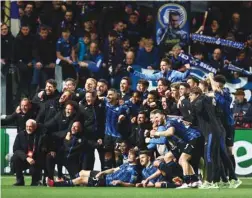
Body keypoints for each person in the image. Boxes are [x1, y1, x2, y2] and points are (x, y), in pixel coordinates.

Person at [189, 87, 241, 189]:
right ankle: (229, 179)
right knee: (220, 155)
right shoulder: (209, 100)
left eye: (190, 95)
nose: (189, 97)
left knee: (209, 156)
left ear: (196, 94)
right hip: (218, 129)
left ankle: (209, 181)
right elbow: (218, 112)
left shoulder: (199, 101)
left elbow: (195, 114)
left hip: (211, 131)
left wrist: (191, 105)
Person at [46, 149, 139, 187]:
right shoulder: (125, 165)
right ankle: (70, 181)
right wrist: (102, 172)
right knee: (82, 172)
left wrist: (120, 182)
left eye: (131, 155)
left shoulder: (134, 170)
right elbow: (114, 169)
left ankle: (55, 184)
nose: (129, 157)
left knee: (81, 179)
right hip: (105, 177)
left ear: (136, 158)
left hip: (107, 182)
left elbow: (132, 184)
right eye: (129, 155)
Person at [12, 119, 47, 186]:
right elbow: (16, 149)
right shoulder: (20, 135)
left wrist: (34, 157)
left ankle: (36, 181)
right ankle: (20, 180)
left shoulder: (41, 135)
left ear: (35, 127)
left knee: (34, 180)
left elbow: (43, 149)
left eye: (30, 126)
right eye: (27, 126)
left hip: (36, 159)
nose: (28, 128)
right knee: (15, 158)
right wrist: (26, 158)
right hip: (24, 159)